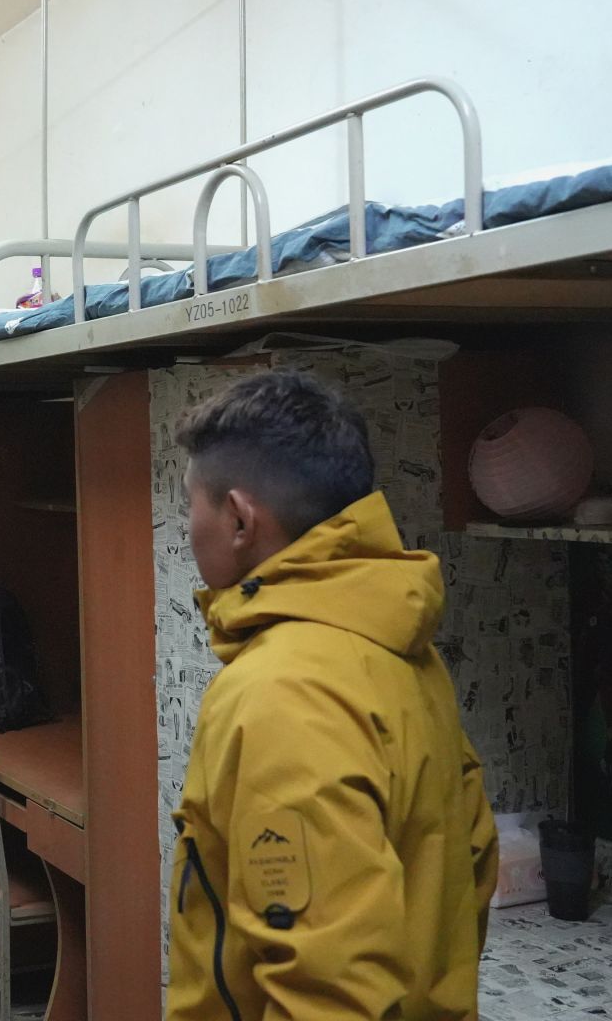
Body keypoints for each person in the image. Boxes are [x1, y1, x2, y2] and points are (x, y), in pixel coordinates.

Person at [163, 370, 497, 1021]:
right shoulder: (395, 648)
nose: (186, 526)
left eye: (190, 506)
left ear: (239, 519)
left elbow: (327, 990)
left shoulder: (283, 694)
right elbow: (472, 860)